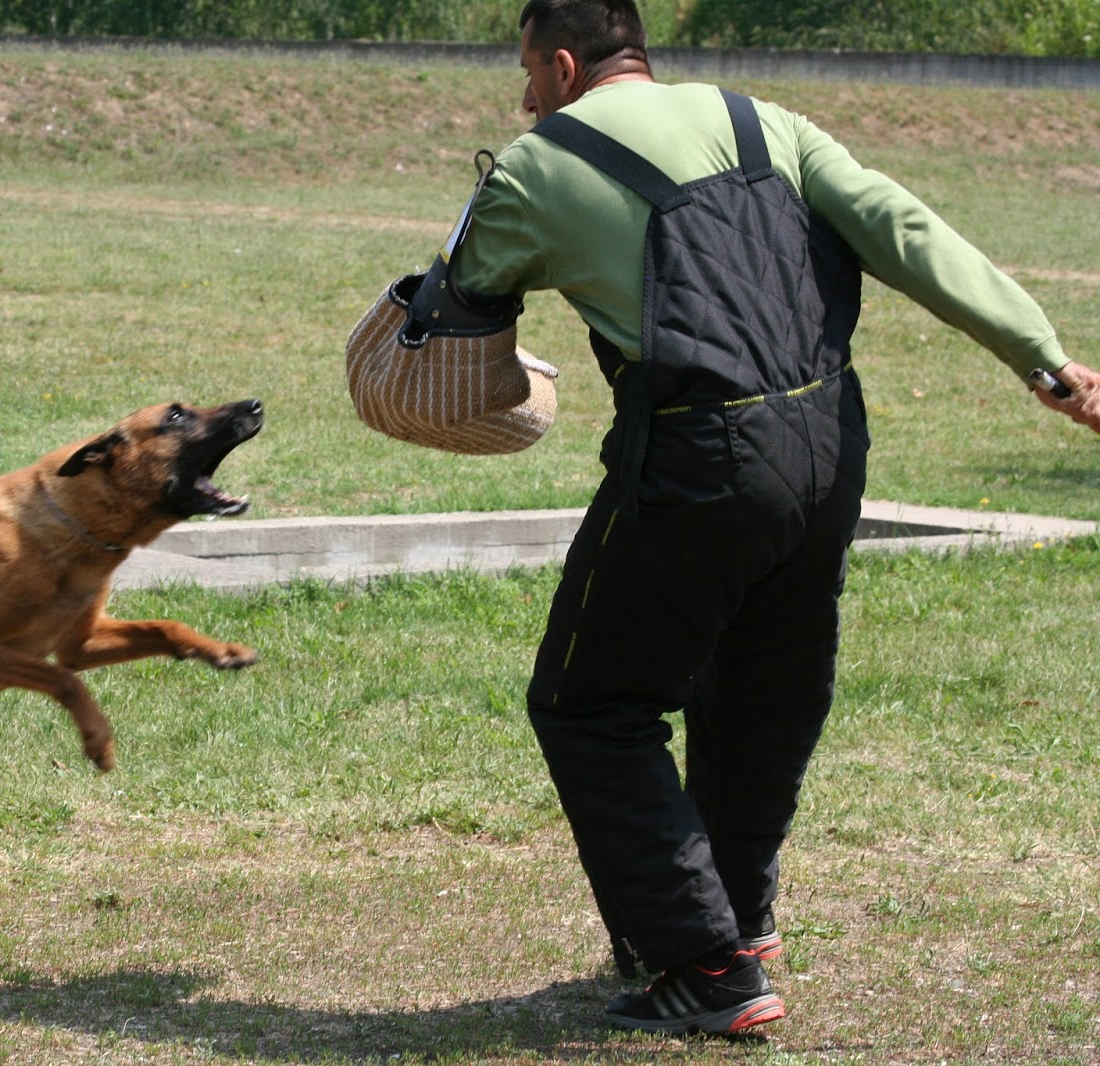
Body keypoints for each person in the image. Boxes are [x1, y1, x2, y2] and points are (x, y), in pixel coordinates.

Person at [443, 0, 1100, 1036]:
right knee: (758, 693)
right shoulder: (767, 123)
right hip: (829, 442)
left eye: (527, 73)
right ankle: (739, 928)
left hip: (701, 456)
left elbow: (457, 309)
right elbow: (903, 230)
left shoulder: (536, 164)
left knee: (589, 702)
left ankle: (705, 965)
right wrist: (1043, 357)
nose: (524, 99)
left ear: (563, 64)